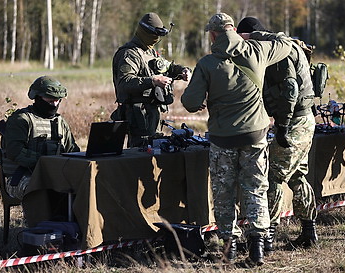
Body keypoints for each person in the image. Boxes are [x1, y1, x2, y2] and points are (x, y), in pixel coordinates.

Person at [181, 13, 292, 265]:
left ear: (213, 34)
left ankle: (229, 250)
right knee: (256, 189)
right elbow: (286, 43)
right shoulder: (257, 51)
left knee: (224, 193)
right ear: (233, 30)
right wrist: (256, 35)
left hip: (223, 138)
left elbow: (189, 103)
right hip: (256, 134)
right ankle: (258, 249)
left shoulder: (207, 63)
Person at [237, 17, 318, 252]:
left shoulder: (275, 50)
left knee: (272, 176)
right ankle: (309, 232)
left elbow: (290, 88)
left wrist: (282, 126)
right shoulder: (283, 43)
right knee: (297, 176)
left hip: (295, 122)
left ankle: (267, 236)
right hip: (303, 119)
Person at [112, 12, 191, 148]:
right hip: (138, 118)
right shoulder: (129, 54)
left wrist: (183, 71)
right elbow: (124, 82)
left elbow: (167, 67)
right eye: (154, 35)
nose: (156, 39)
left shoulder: (150, 52)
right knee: (139, 155)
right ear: (145, 33)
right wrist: (153, 81)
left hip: (153, 114)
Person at [2, 76, 80, 200]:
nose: (54, 104)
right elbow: (15, 152)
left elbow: (72, 151)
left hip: (54, 174)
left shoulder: (60, 123)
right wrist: (46, 163)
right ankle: (38, 219)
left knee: (83, 186)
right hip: (20, 177)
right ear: (37, 97)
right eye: (50, 100)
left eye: (57, 100)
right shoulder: (21, 119)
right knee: (41, 191)